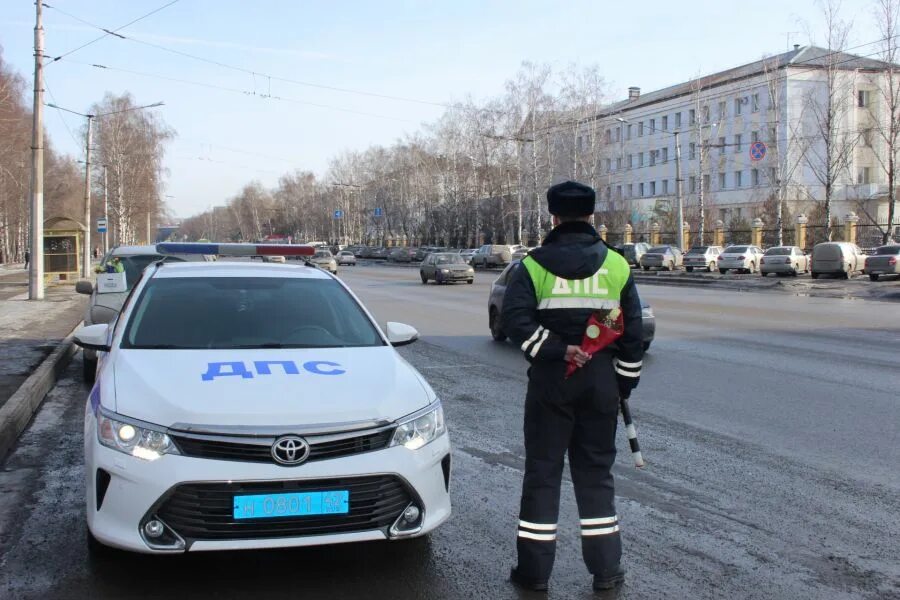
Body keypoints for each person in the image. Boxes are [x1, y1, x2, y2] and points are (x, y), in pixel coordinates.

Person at [501, 180, 644, 594]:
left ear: (553, 217)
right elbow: (631, 333)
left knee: (543, 475)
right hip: (600, 382)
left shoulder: (532, 266)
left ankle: (534, 573)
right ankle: (606, 571)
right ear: (591, 216)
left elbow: (515, 323)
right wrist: (623, 384)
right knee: (596, 475)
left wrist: (558, 350)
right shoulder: (616, 265)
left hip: (551, 381)